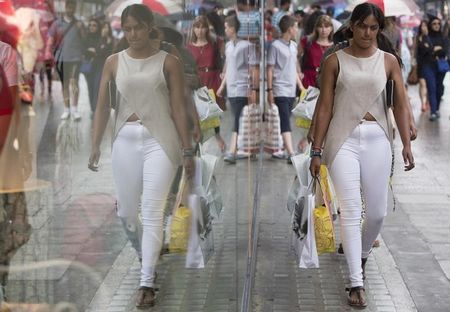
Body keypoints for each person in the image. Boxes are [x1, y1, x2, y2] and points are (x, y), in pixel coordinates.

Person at [88, 4, 194, 308]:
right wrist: (95, 144)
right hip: (124, 139)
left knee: (152, 211)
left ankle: (146, 281)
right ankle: (145, 253)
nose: (133, 34)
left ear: (150, 27)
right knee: (126, 213)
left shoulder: (169, 61)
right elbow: (101, 107)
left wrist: (187, 149)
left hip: (161, 140)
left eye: (138, 27)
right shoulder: (112, 62)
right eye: (127, 28)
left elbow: (177, 108)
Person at [309, 3, 414, 308]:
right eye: (362, 26)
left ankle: (362, 255)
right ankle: (356, 281)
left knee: (378, 212)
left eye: (373, 28)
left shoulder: (389, 61)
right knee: (352, 210)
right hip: (342, 139)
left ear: (379, 30)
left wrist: (406, 143)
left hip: (378, 137)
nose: (367, 33)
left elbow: (400, 105)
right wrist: (316, 150)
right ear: (351, 26)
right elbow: (325, 107)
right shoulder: (334, 60)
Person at [218, 15, 259, 164]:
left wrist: (254, 89)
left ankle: (232, 150)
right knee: (241, 118)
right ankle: (248, 149)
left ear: (233, 28)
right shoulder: (229, 46)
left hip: (243, 87)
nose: (225, 30)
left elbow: (254, 67)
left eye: (226, 27)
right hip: (232, 88)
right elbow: (227, 67)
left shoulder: (247, 46)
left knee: (238, 118)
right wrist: (222, 86)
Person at [267, 15, 304, 163]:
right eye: (296, 27)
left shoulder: (293, 46)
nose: (297, 30)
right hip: (279, 88)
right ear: (290, 28)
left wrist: (300, 86)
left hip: (291, 89)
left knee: (286, 117)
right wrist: (270, 90)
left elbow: (294, 68)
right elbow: (270, 69)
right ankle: (291, 152)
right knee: (284, 119)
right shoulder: (275, 46)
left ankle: (281, 148)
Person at [187, 15, 226, 152]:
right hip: (198, 79)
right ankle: (197, 140)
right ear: (193, 29)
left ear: (207, 29)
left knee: (212, 110)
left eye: (203, 27)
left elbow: (223, 61)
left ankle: (217, 135)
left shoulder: (214, 45)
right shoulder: (188, 47)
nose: (200, 30)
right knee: (197, 111)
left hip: (212, 78)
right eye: (197, 27)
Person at [45, 0, 85, 120]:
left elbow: (85, 38)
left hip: (76, 57)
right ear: (66, 7)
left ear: (75, 8)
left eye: (73, 7)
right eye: (69, 7)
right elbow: (51, 39)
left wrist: (81, 29)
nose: (71, 9)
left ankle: (75, 109)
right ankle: (67, 109)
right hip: (61, 58)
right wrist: (48, 52)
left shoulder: (79, 23)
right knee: (65, 84)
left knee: (74, 82)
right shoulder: (57, 23)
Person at [420, 16, 448, 121]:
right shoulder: (426, 37)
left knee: (439, 89)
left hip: (440, 66)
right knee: (432, 88)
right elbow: (424, 51)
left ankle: (436, 109)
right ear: (430, 25)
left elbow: (444, 51)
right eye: (434, 24)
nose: (436, 25)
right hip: (428, 66)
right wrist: (435, 49)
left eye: (438, 24)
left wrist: (434, 50)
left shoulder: (443, 37)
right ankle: (433, 112)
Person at [82, 18, 102, 113]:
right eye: (90, 25)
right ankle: (92, 109)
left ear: (98, 27)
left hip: (98, 66)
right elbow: (82, 50)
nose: (92, 27)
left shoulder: (101, 38)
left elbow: (104, 51)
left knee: (96, 87)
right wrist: (89, 51)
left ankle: (96, 108)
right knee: (90, 88)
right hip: (88, 67)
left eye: (94, 25)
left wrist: (95, 52)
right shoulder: (86, 37)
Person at [415, 20, 430, 112]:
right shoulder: (417, 38)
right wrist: (413, 63)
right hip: (420, 64)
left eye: (425, 26)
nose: (423, 27)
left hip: (429, 65)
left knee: (428, 85)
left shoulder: (430, 37)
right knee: (422, 84)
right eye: (422, 26)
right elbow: (414, 51)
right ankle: (423, 103)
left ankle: (426, 101)